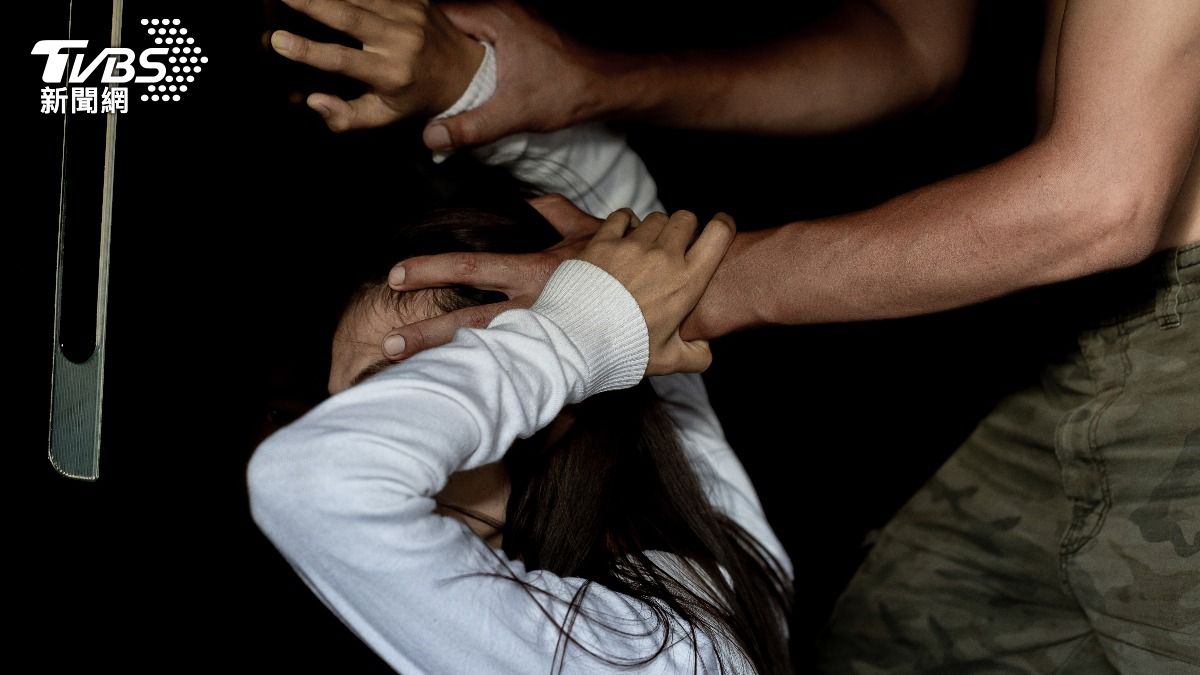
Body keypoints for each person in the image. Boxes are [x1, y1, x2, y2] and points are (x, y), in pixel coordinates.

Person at [268, 0, 1200, 671]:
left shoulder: (642, 638)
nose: (378, 411)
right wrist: (476, 86)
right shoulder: (677, 567)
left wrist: (582, 327)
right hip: (1101, 333)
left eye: (430, 377)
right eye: (381, 396)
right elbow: (914, 48)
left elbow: (1099, 199)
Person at [252, 2, 793, 672]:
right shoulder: (678, 537)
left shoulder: (670, 646)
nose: (363, 422)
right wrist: (468, 83)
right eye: (344, 407)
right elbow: (637, 245)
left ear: (551, 409)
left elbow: (318, 475)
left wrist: (574, 332)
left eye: (399, 387)